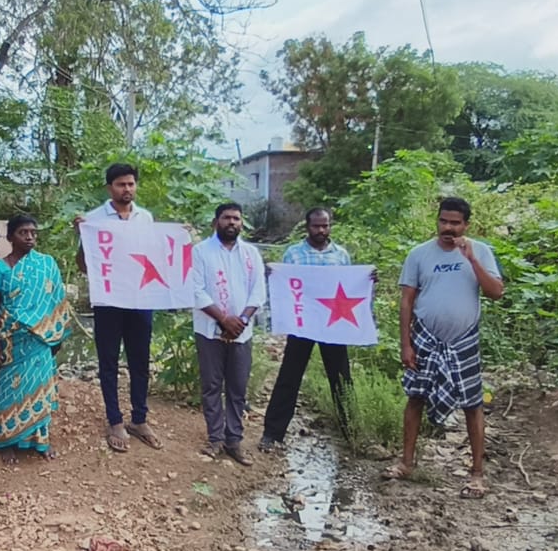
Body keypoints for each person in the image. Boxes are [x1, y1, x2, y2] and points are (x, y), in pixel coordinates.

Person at [389, 197, 503, 499]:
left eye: (455, 223)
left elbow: (495, 293)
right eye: (443, 221)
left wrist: (472, 259)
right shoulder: (419, 255)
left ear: (466, 224)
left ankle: (477, 474)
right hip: (425, 338)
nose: (448, 228)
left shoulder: (480, 252)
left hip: (463, 339)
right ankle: (407, 463)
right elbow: (407, 301)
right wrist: (406, 343)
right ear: (437, 221)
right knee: (415, 398)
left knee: (472, 404)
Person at [259, 207, 364, 453]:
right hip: (302, 324)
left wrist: (366, 280)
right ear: (307, 226)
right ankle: (272, 434)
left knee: (341, 378)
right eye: (316, 226)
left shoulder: (341, 255)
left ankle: (352, 433)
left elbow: (349, 285)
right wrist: (274, 275)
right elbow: (284, 287)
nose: (321, 230)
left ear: (330, 226)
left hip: (333, 325)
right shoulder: (293, 254)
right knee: (289, 377)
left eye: (325, 225)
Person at [74, 163, 162, 453]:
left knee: (140, 361)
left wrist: (179, 239)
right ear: (109, 187)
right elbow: (84, 265)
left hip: (141, 300)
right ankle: (115, 420)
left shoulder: (146, 219)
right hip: (109, 301)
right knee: (108, 362)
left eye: (131, 184)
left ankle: (140, 418)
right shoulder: (94, 220)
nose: (127, 189)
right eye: (121, 184)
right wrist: (84, 237)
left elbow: (157, 257)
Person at [0, 215, 73, 465]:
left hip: (41, 338)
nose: (30, 237)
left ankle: (40, 441)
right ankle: (6, 440)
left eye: (33, 233)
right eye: (23, 232)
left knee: (40, 387)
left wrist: (55, 333)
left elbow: (56, 300)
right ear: (10, 237)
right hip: (10, 338)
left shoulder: (46, 265)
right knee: (9, 388)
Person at [191, 203, 267, 467]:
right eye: (226, 218)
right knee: (211, 385)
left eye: (236, 218)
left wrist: (242, 320)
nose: (231, 222)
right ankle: (215, 438)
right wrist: (224, 320)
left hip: (242, 334)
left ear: (241, 223)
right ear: (216, 222)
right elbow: (196, 290)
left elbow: (258, 292)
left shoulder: (251, 253)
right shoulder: (200, 252)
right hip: (209, 330)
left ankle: (234, 440)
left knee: (237, 388)